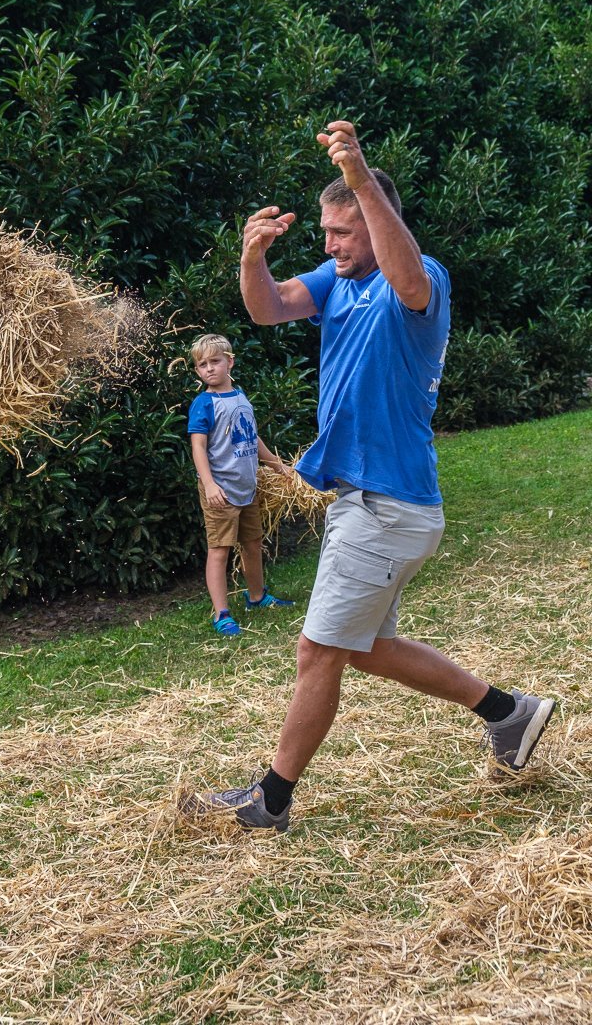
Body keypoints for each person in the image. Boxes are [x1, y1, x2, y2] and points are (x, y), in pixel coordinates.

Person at [188, 120, 555, 830]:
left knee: (318, 649)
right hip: (369, 502)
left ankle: (272, 799)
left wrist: (361, 177)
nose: (329, 245)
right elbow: (267, 308)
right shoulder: (338, 282)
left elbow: (408, 275)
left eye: (342, 232)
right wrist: (251, 257)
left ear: (375, 220)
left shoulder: (420, 282)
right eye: (325, 231)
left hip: (388, 505)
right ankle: (509, 713)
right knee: (367, 649)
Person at [188, 333, 296, 636]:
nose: (209, 368)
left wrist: (276, 464)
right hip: (220, 490)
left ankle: (257, 597)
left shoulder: (240, 396)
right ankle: (222, 613)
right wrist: (209, 485)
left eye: (215, 361)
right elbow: (198, 447)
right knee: (219, 549)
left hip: (247, 486)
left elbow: (251, 436)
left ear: (229, 362)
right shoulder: (203, 404)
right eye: (202, 365)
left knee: (252, 543)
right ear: (198, 371)